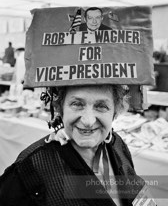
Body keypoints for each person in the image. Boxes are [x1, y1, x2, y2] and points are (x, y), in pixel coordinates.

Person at [0, 84, 153, 206]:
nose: (88, 121)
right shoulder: (32, 167)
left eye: (101, 106)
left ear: (115, 112)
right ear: (61, 108)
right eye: (77, 104)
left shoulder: (117, 145)